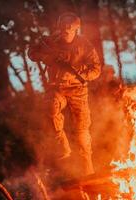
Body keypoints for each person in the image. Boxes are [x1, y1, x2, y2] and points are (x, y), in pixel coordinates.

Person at [28, 12, 101, 176]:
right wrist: (45, 57)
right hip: (57, 88)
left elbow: (96, 69)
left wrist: (79, 70)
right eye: (63, 27)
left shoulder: (85, 45)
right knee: (51, 108)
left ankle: (88, 169)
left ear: (76, 28)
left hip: (78, 90)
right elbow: (31, 52)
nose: (65, 30)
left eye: (69, 28)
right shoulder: (50, 41)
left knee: (82, 131)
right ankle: (62, 147)